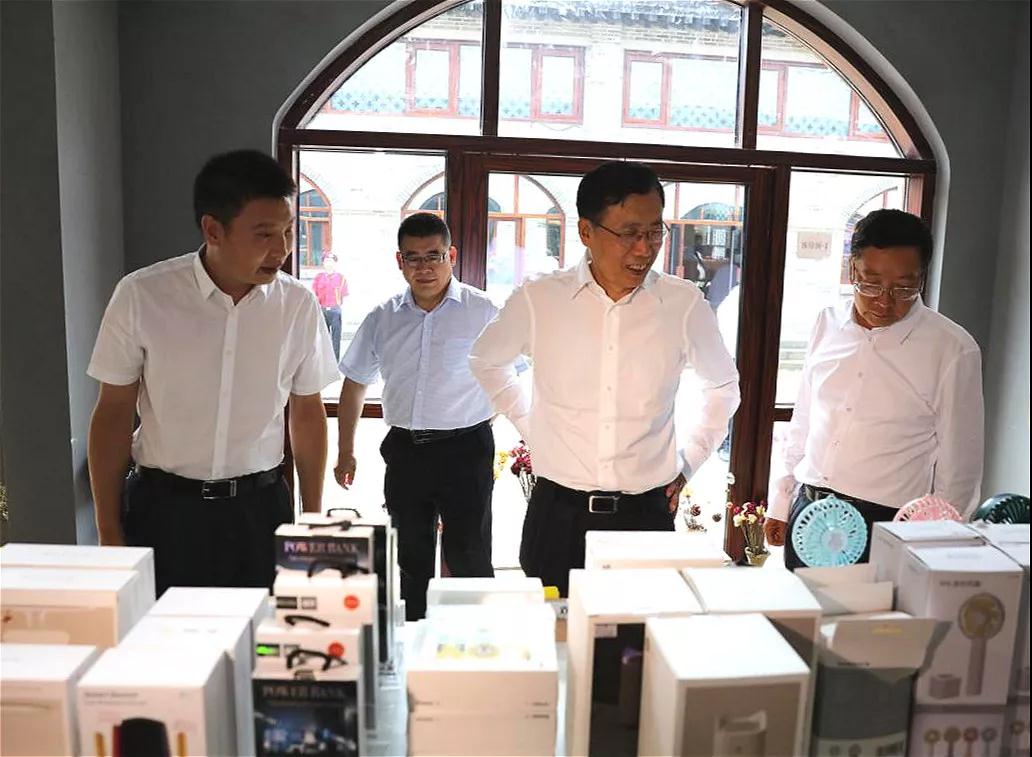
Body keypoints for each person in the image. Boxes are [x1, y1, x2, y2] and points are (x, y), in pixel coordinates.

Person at [470, 161, 740, 596]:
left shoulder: (683, 304)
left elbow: (723, 387)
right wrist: (531, 427)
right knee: (555, 630)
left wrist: (688, 463)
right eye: (629, 233)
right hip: (558, 513)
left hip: (645, 514)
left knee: (639, 633)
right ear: (586, 231)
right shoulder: (540, 299)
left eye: (654, 232)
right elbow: (486, 360)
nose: (644, 249)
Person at [87, 149, 339, 595]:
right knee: (158, 634)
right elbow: (113, 413)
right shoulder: (143, 295)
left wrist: (313, 519)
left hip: (259, 511)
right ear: (213, 230)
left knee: (263, 634)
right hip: (164, 512)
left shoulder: (297, 305)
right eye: (264, 234)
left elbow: (306, 413)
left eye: (287, 231)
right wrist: (108, 530)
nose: (281, 249)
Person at [765, 209, 984, 569]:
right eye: (870, 283)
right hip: (811, 511)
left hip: (887, 523)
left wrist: (938, 547)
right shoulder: (827, 323)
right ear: (852, 270)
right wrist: (782, 500)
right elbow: (804, 420)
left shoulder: (952, 348)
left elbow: (960, 466)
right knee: (800, 606)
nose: (884, 300)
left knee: (874, 610)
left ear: (922, 277)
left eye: (903, 287)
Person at [334, 212, 504, 620]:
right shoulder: (383, 317)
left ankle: (478, 638)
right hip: (406, 451)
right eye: (413, 257)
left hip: (466, 449)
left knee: (470, 555)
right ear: (400, 261)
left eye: (434, 256)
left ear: (452, 256)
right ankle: (414, 636)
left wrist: (484, 419)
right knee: (410, 556)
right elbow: (354, 384)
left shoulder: (483, 311)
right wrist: (345, 451)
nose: (424, 267)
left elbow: (508, 378)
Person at [312, 252, 348, 362]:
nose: (329, 264)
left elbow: (343, 294)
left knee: (336, 338)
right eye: (327, 261)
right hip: (322, 310)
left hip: (335, 310)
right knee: (323, 337)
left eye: (331, 261)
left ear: (335, 263)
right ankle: (324, 361)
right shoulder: (318, 278)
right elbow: (314, 293)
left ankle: (335, 362)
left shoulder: (341, 278)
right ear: (323, 263)